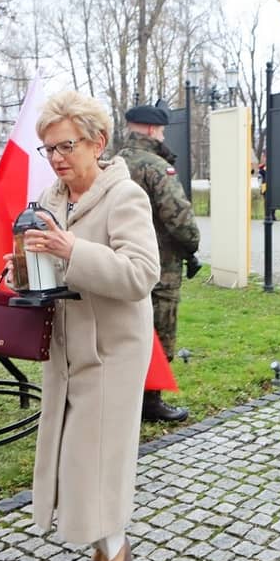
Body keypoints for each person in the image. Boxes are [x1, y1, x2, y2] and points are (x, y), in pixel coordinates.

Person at [13, 90, 160, 561]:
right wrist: (22, 269)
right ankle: (103, 550)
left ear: (97, 142)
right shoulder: (50, 199)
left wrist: (71, 248)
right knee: (74, 458)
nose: (56, 158)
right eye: (48, 148)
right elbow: (50, 267)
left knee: (100, 460)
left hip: (112, 351)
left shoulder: (125, 196)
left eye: (65, 146)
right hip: (66, 349)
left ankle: (114, 555)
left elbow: (141, 274)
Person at [118, 102, 201, 423]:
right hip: (159, 265)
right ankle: (150, 402)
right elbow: (179, 219)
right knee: (159, 330)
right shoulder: (156, 167)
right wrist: (192, 246)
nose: (163, 135)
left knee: (122, 329)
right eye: (162, 130)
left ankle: (123, 397)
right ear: (153, 129)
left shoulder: (111, 164)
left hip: (119, 263)